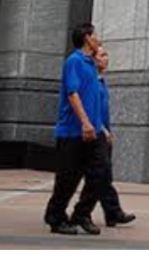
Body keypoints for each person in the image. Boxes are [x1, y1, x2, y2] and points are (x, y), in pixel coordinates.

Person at [44, 23, 108, 236]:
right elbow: (73, 94)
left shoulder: (92, 64)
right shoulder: (74, 61)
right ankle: (55, 217)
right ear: (87, 38)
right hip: (73, 131)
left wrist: (100, 128)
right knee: (67, 179)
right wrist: (85, 123)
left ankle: (81, 214)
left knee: (100, 173)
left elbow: (94, 99)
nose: (98, 38)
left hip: (94, 131)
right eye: (95, 34)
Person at [75, 46, 135, 228]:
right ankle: (82, 213)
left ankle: (112, 212)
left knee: (104, 175)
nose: (106, 58)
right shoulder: (91, 81)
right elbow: (89, 109)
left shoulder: (101, 81)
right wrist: (102, 129)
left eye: (106, 54)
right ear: (93, 60)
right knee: (98, 174)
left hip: (103, 134)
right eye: (102, 55)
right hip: (95, 134)